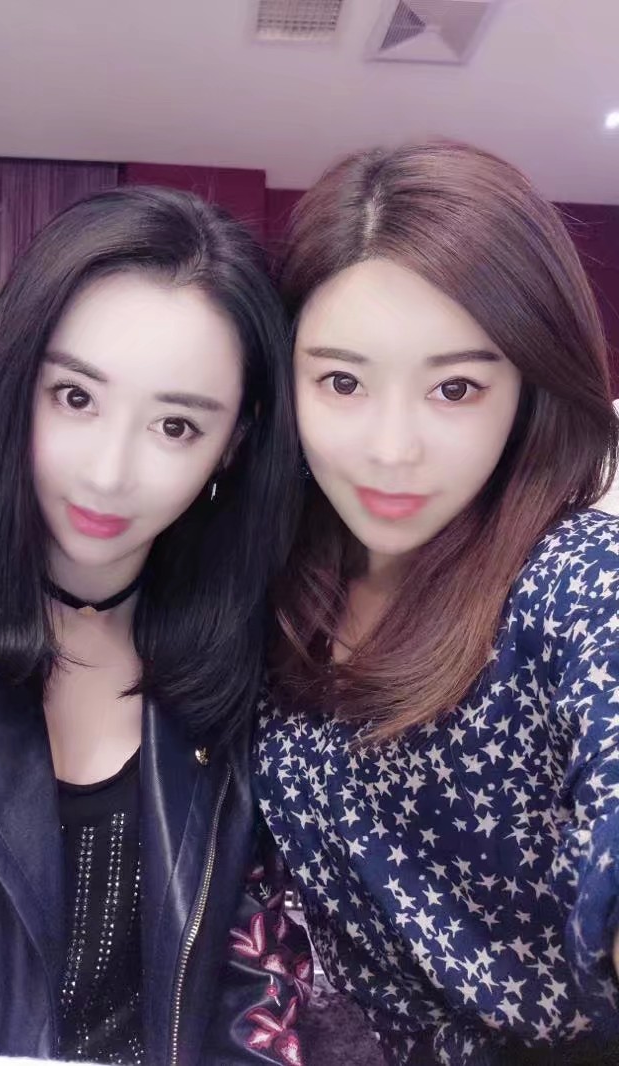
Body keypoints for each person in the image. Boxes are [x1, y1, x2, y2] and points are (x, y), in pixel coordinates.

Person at [0, 186, 311, 1065]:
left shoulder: (256, 673)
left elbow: (261, 1012)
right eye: (76, 398)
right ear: (19, 385)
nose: (109, 472)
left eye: (175, 425)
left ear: (232, 446)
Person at [256, 141, 619, 1065]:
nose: (392, 450)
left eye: (455, 387)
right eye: (342, 382)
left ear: (528, 389)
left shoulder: (577, 579)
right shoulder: (265, 579)